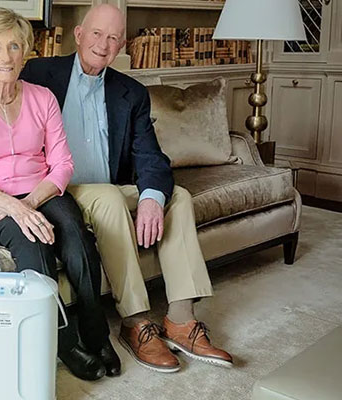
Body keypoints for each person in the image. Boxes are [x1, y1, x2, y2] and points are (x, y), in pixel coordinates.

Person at [17, 4, 234, 372]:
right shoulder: (39, 73)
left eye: (114, 37)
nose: (103, 44)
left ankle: (181, 319)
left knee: (175, 197)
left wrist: (151, 197)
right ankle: (135, 322)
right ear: (80, 35)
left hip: (110, 186)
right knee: (109, 196)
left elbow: (150, 155)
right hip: (59, 190)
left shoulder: (131, 92)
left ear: (121, 45)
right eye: (97, 34)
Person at [0, 7, 121, 381]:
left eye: (14, 46)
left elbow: (62, 165)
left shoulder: (43, 98)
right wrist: (12, 207)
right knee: (32, 242)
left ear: (25, 52)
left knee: (76, 234)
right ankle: (64, 343)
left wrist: (29, 204)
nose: (5, 56)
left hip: (38, 190)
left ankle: (97, 335)